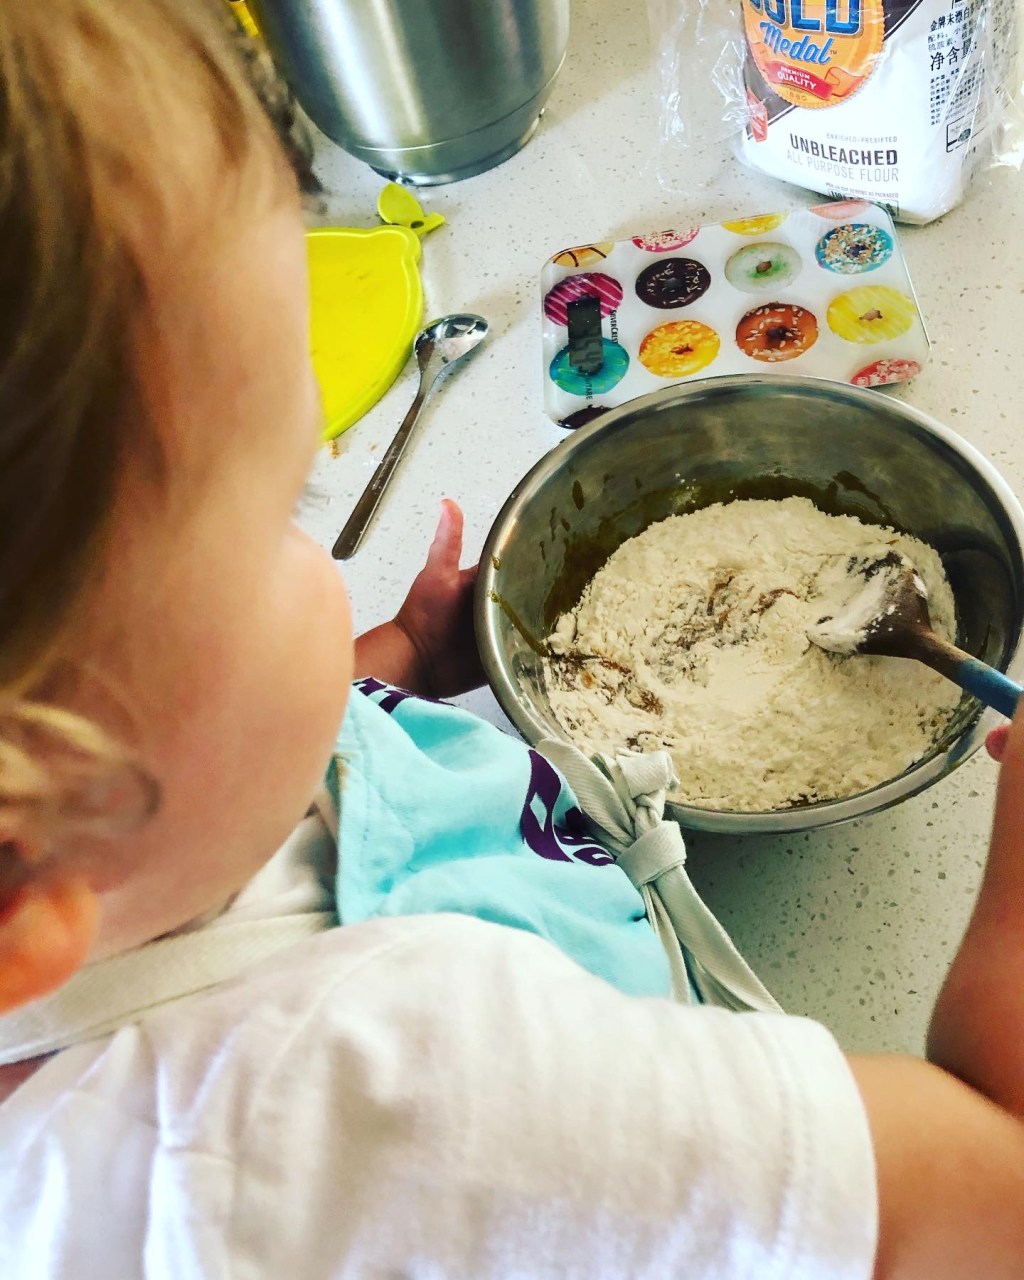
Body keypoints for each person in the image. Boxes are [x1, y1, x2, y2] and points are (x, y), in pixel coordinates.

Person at [0, 3, 1022, 1277]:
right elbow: (986, 1185)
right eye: (284, 512)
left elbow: (217, 781)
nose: (320, 554)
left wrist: (396, 666)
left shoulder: (104, 867)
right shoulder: (436, 1095)